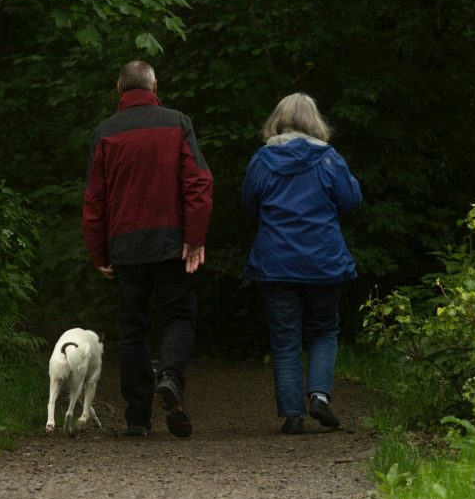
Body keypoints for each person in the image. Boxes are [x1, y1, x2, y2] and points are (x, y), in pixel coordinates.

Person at [82, 60, 213, 438]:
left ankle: (137, 416)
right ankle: (170, 376)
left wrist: (98, 252)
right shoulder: (177, 123)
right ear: (155, 85)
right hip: (172, 240)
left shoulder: (105, 132)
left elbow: (95, 199)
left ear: (118, 88)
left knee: (132, 327)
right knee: (179, 315)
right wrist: (195, 236)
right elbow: (198, 183)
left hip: (125, 244)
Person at [241, 93, 362, 435]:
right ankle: (320, 396)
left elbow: (249, 202)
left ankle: (293, 415)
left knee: (285, 337)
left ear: (278, 121)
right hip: (322, 259)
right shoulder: (329, 159)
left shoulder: (262, 160)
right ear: (314, 121)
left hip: (276, 261)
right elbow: (351, 200)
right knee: (324, 329)